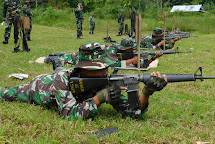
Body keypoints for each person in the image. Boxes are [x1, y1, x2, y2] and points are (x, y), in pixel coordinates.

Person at [0, 43, 167, 120]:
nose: (107, 70)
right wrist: (100, 98)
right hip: (40, 86)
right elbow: (70, 114)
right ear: (87, 69)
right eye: (103, 67)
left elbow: (132, 113)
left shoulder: (103, 80)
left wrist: (146, 93)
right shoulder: (61, 81)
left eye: (107, 66)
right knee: (6, 93)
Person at [44, 42, 162, 69]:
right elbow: (114, 64)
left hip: (86, 56)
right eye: (131, 50)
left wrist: (153, 58)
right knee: (67, 57)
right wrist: (131, 61)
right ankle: (52, 57)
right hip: (80, 58)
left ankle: (56, 54)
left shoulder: (117, 49)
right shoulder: (111, 52)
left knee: (68, 55)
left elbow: (141, 65)